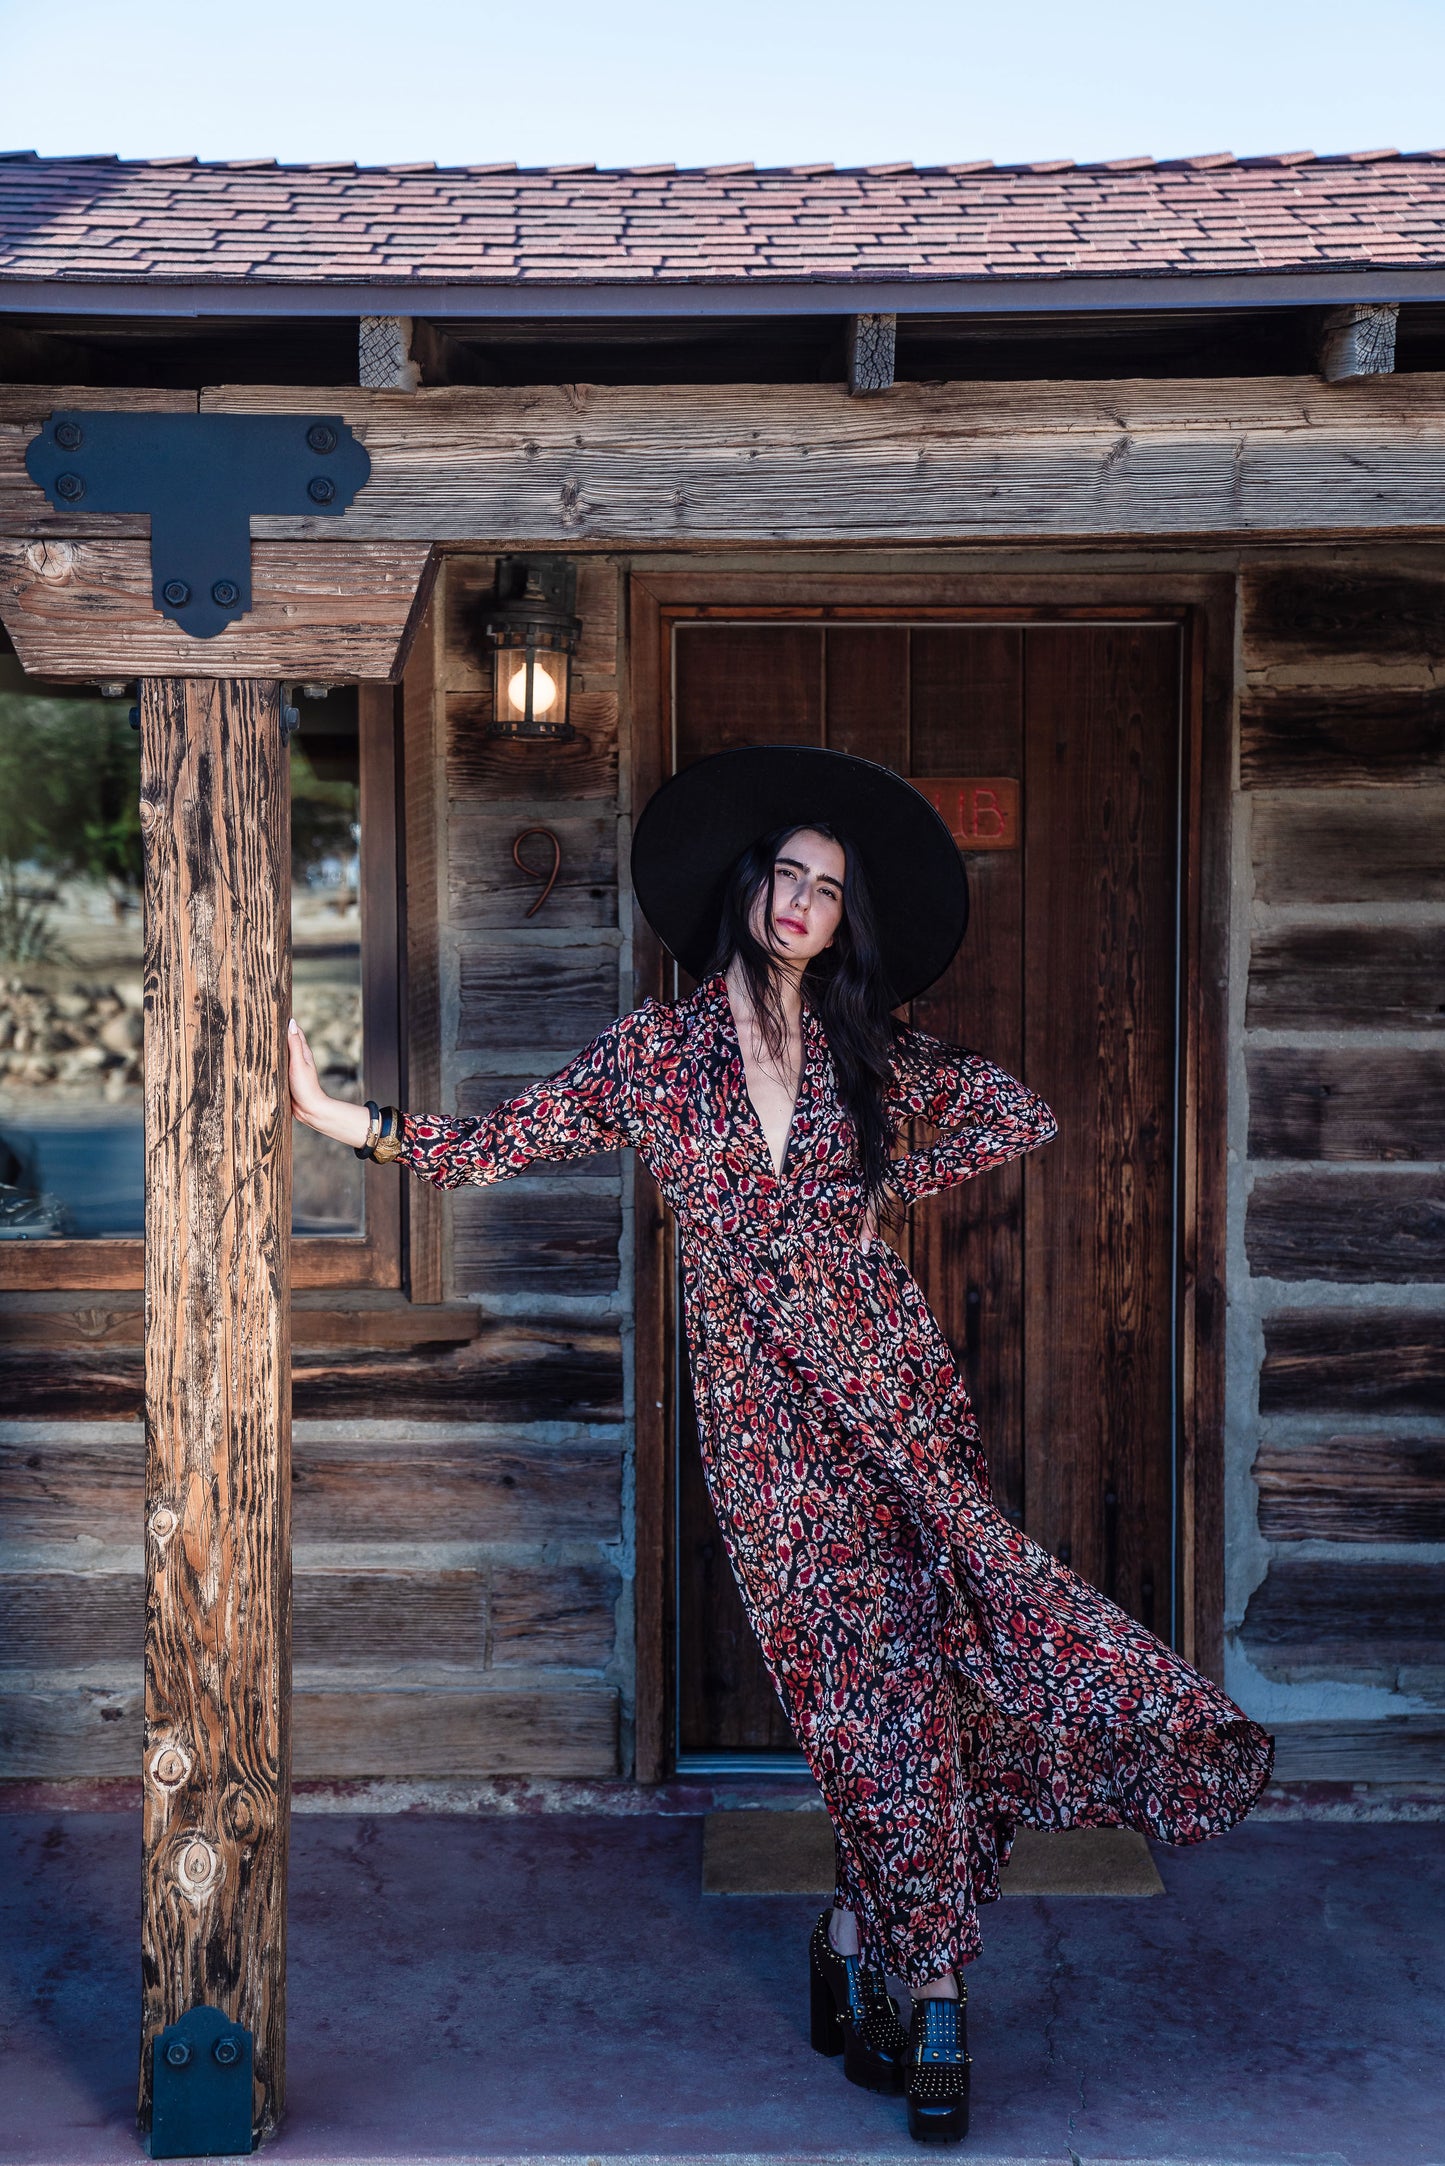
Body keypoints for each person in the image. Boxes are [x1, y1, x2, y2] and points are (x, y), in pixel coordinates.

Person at [288, 744, 1275, 2146]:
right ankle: (884, 1949)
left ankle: (903, 1966)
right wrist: (350, 1123)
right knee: (859, 1699)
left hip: (895, 1399)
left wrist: (867, 1189)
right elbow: (492, 1141)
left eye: (828, 886)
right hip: (764, 1435)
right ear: (747, 892)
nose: (804, 900)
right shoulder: (654, 1054)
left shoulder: (864, 1053)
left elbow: (1021, 1109)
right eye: (787, 876)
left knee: (938, 1673)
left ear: (839, 916)